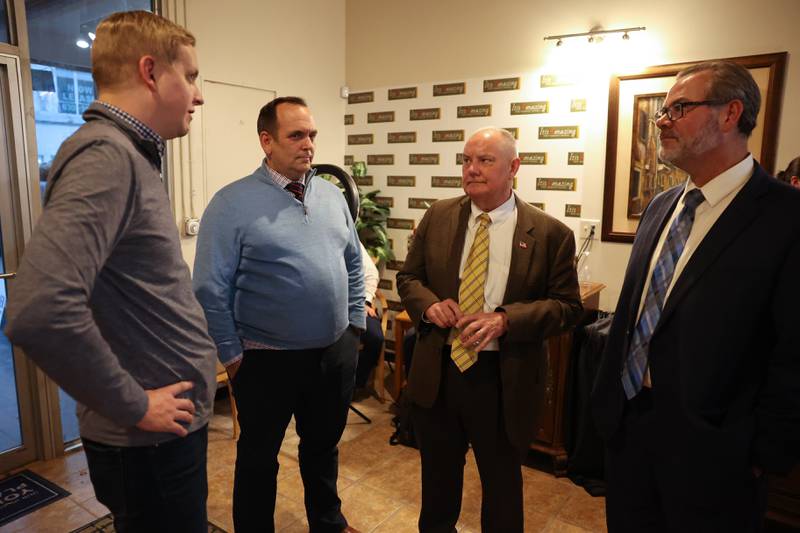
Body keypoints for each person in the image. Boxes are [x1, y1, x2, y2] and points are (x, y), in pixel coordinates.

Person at [4, 11, 215, 532]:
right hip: (148, 443)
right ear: (150, 71)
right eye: (189, 76)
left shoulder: (128, 155)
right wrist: (134, 403)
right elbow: (37, 308)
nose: (198, 94)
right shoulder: (107, 155)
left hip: (161, 439)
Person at [592, 61, 800, 532]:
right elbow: (636, 311)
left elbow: (793, 352)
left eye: (679, 108)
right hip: (629, 433)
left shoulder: (786, 217)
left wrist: (764, 453)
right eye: (662, 110)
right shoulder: (663, 206)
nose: (662, 121)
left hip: (717, 455)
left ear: (730, 114)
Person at [193, 96, 365, 533]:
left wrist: (355, 328)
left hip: (333, 353)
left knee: (323, 448)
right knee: (258, 458)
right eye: (296, 135)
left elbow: (352, 262)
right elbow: (209, 288)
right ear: (267, 141)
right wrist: (232, 355)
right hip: (266, 359)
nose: (308, 144)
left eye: (312, 135)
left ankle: (327, 521)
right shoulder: (232, 203)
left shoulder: (330, 195)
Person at [397, 127, 582, 532]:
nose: (472, 169)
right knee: (438, 486)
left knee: (501, 491)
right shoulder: (438, 215)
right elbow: (409, 278)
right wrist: (428, 306)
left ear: (514, 167)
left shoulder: (550, 235)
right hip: (441, 374)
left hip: (502, 380)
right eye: (466, 160)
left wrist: (505, 319)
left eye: (485, 160)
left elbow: (567, 308)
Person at [354, 242, 384, 399]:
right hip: (330, 311)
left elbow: (371, 273)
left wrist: (365, 302)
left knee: (375, 337)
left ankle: (355, 384)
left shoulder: (349, 234)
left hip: (357, 305)